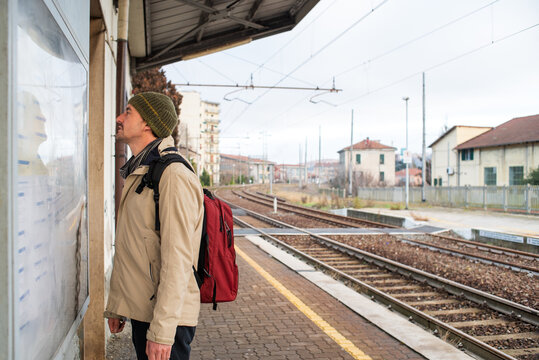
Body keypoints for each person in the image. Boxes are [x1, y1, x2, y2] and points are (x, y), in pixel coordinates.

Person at [104, 92, 204, 360]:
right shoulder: (142, 171)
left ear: (147, 123)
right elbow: (131, 245)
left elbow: (178, 259)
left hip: (165, 318)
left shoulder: (173, 175)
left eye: (127, 112)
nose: (118, 118)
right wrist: (118, 306)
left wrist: (162, 332)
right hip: (146, 310)